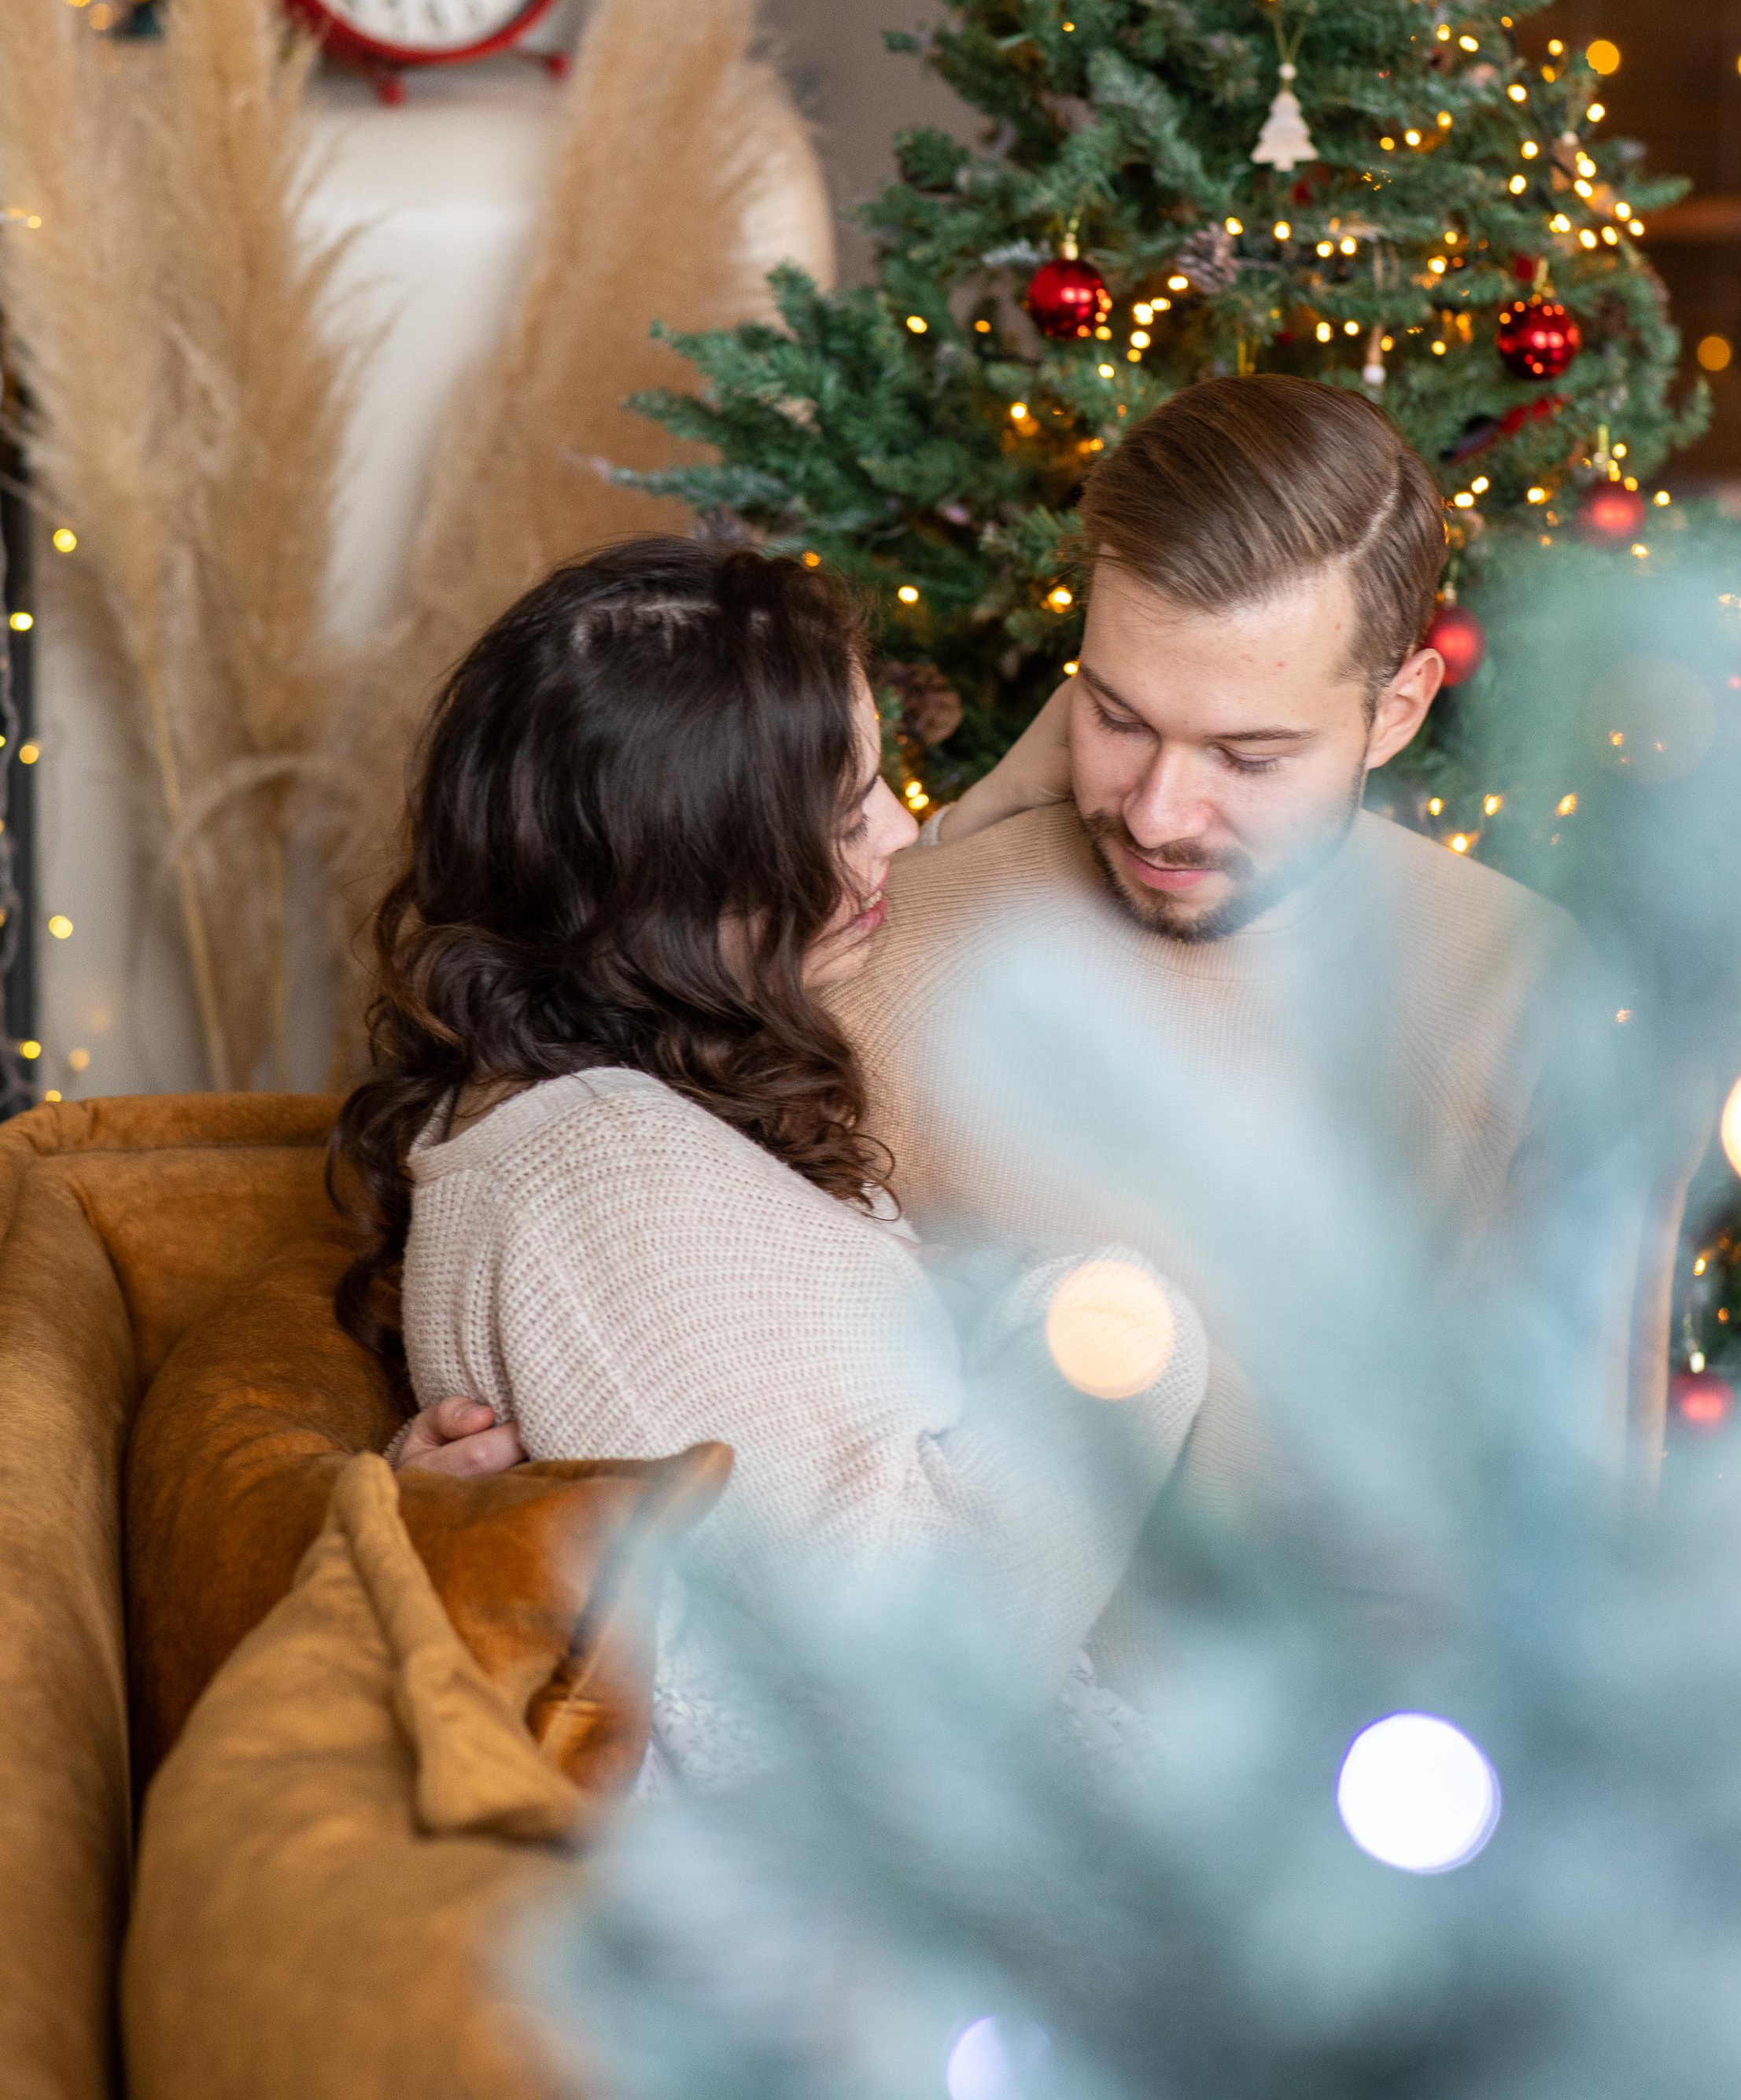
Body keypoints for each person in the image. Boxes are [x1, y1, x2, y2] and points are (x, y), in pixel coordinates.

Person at [404, 378, 1673, 1497]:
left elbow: (1591, 1516)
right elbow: (578, 1245)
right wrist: (447, 1498)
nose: (1164, 815)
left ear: (1395, 712)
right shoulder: (868, 934)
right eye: (1117, 718)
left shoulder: (1539, 993)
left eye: (1249, 755)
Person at [330, 537, 1205, 1785]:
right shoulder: (612, 1182)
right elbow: (904, 1693)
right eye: (845, 813)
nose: (898, 836)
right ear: (683, 878)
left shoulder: (561, 1110)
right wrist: (1122, 1337)